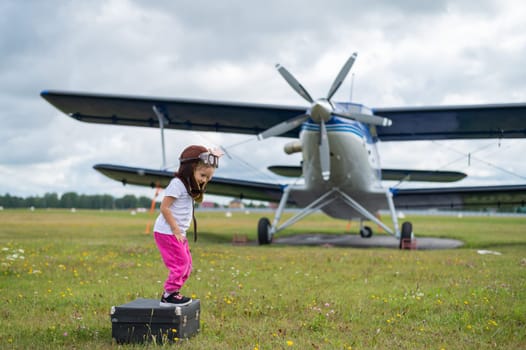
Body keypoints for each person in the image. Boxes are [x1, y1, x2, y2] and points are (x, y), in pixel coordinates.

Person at [154, 145, 222, 307]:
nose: (204, 180)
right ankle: (169, 295)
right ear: (190, 169)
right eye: (202, 175)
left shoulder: (187, 186)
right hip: (167, 232)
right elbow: (164, 207)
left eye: (208, 178)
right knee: (181, 264)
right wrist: (176, 229)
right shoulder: (177, 184)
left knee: (188, 265)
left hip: (177, 233)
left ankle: (173, 293)